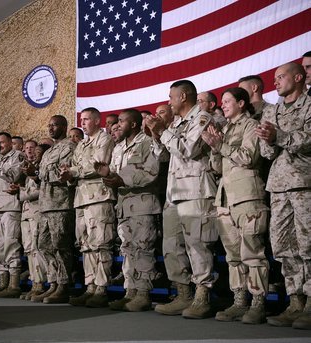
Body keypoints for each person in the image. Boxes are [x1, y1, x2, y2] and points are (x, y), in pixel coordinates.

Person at [145, 80, 218, 319]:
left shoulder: (203, 118)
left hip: (195, 191)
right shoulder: (177, 123)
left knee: (197, 245)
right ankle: (183, 293)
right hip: (174, 193)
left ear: (183, 96)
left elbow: (189, 150)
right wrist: (156, 135)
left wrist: (163, 132)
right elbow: (165, 156)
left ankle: (202, 296)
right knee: (171, 247)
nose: (169, 102)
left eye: (171, 97)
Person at [202, 87, 269, 324]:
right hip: (225, 198)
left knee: (252, 252)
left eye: (228, 100)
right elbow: (218, 168)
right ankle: (239, 302)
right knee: (233, 255)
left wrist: (220, 146)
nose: (224, 104)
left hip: (247, 195)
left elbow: (249, 157)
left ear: (241, 103)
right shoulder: (225, 129)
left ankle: (258, 302)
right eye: (223, 101)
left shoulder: (251, 125)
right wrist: (213, 147)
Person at [255, 62, 311, 329]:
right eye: (274, 78)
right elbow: (267, 154)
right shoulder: (272, 110)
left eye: (281, 77)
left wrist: (280, 136)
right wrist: (268, 141)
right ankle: (295, 300)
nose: (275, 82)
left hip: (303, 183)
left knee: (308, 244)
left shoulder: (309, 104)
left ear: (298, 78)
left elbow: (308, 139)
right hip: (277, 186)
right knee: (283, 246)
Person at [95, 109, 161, 312]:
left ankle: (143, 293)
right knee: (128, 250)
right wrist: (107, 174)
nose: (117, 125)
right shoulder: (118, 148)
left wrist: (121, 179)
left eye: (122, 121)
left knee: (142, 250)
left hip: (143, 204)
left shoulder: (146, 141)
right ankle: (130, 291)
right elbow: (117, 173)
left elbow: (152, 172)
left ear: (133, 124)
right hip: (124, 206)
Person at [60, 107, 116, 308]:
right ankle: (90, 286)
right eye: (81, 120)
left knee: (101, 243)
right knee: (85, 244)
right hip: (82, 198)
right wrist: (68, 174)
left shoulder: (104, 139)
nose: (82, 123)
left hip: (99, 197)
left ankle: (101, 288)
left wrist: (73, 172)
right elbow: (74, 166)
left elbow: (98, 164)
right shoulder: (82, 144)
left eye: (86, 119)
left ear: (97, 121)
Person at [26, 116, 76, 304]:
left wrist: (39, 173)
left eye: (54, 125)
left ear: (64, 127)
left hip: (61, 204)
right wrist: (33, 174)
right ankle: (53, 283)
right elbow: (44, 176)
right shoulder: (48, 152)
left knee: (61, 246)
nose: (51, 128)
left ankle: (64, 286)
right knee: (44, 245)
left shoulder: (69, 147)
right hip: (46, 205)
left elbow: (63, 173)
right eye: (49, 125)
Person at [8, 143, 50, 301]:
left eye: (39, 152)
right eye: (35, 152)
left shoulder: (40, 171)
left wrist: (21, 192)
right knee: (29, 249)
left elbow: (41, 190)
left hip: (38, 212)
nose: (35, 154)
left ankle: (42, 284)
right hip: (27, 213)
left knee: (38, 248)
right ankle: (35, 283)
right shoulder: (30, 169)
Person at [0, 132, 26, 298]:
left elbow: (14, 176)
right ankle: (3, 283)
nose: (0, 146)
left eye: (2, 142)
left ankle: (14, 285)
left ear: (11, 143)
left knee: (11, 245)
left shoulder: (18, 156)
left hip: (11, 206)